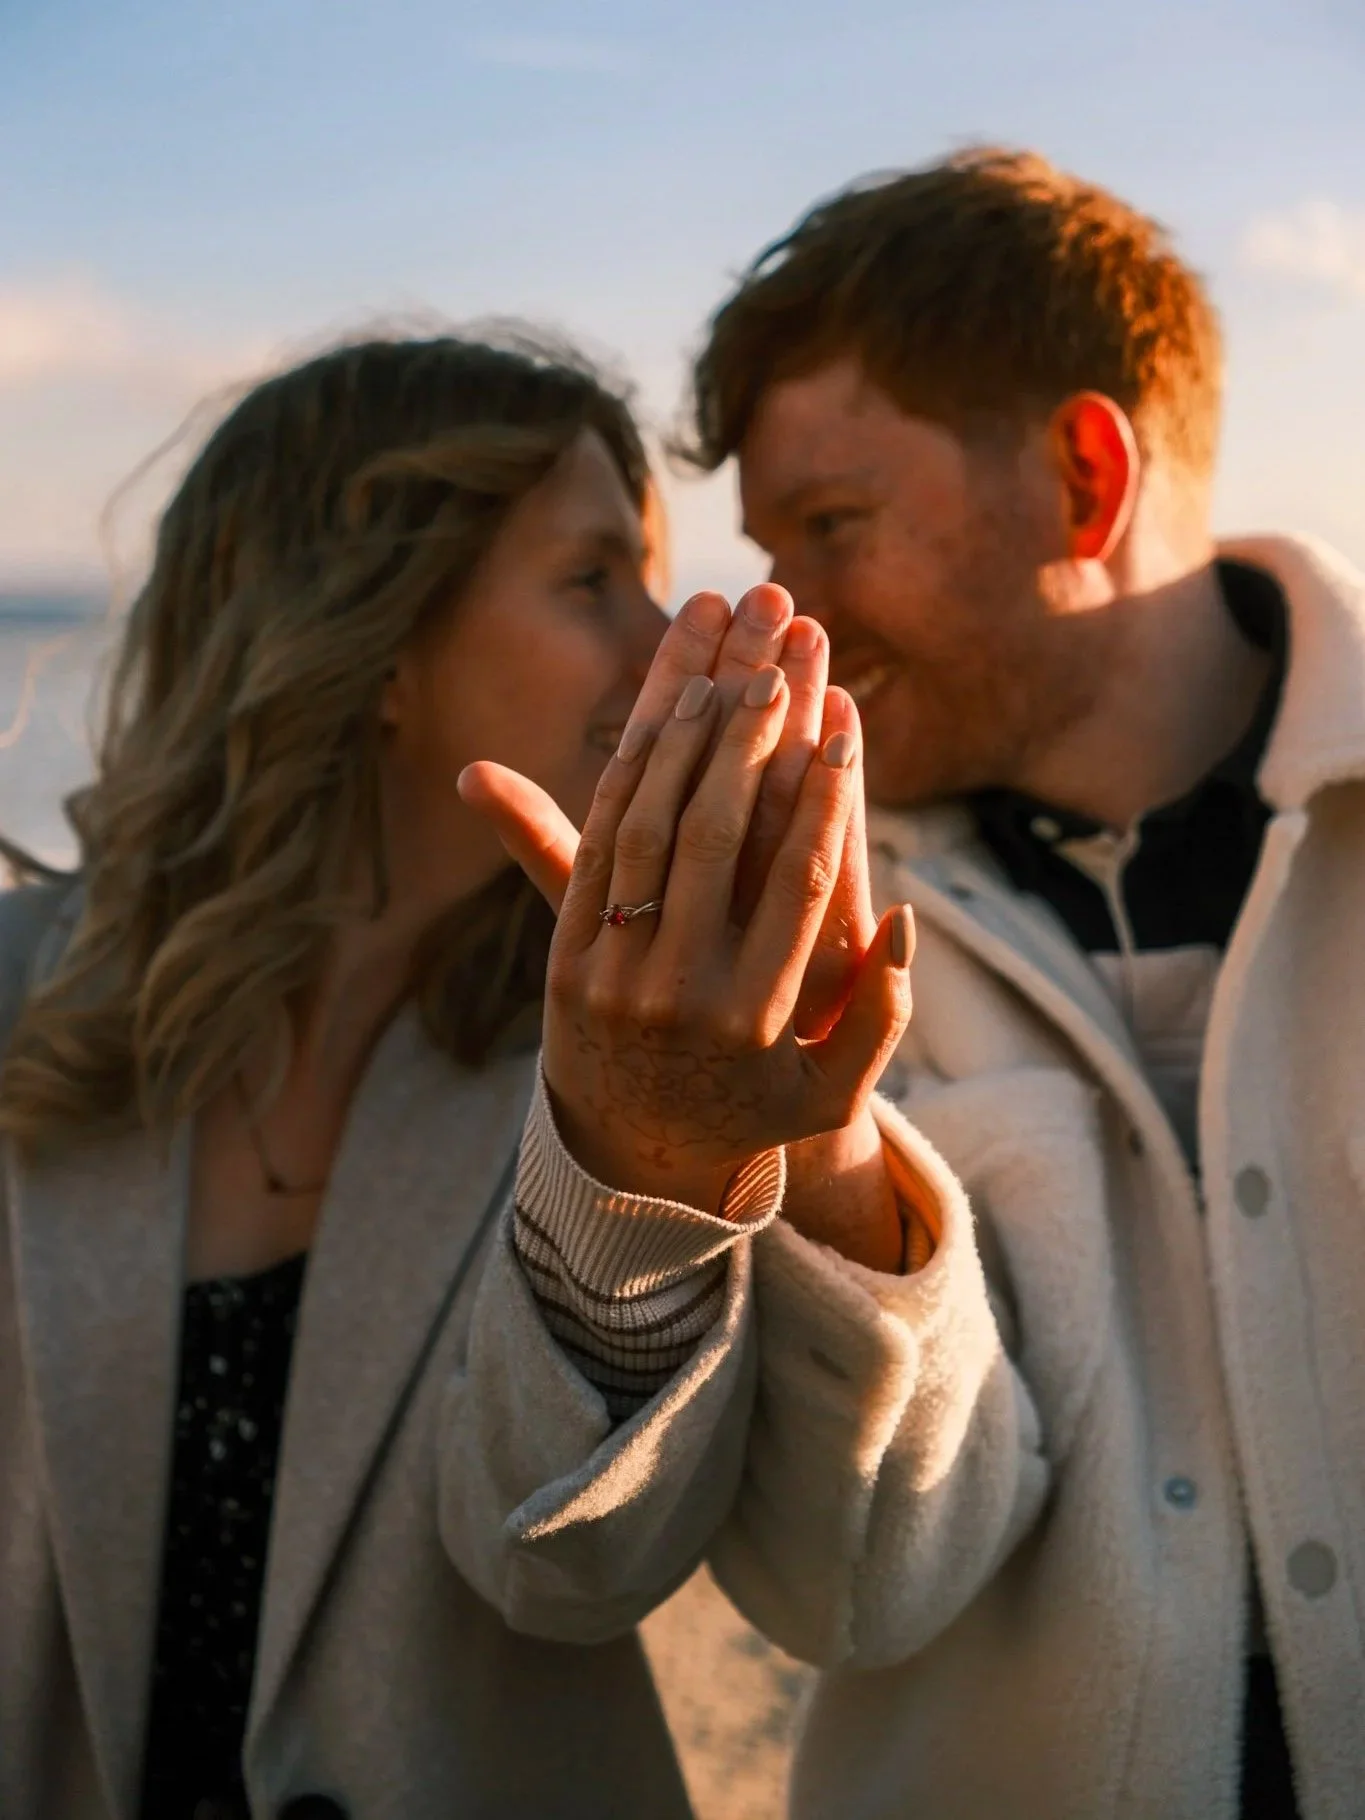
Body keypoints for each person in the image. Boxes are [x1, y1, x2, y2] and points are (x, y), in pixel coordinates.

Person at [471, 150, 1365, 1819]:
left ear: (1084, 481)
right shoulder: (780, 925)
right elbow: (848, 1595)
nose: (785, 609)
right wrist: (808, 1156)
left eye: (834, 523)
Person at [0, 329, 917, 1818]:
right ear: (367, 638)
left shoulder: (622, 1072)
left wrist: (665, 1164)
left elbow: (587, 1571)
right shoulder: (20, 1004)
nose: (662, 636)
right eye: (589, 578)